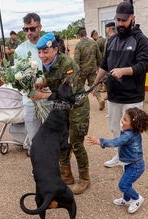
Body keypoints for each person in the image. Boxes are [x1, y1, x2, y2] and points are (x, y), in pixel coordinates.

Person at [92, 1, 148, 168]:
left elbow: (143, 66)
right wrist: (95, 83)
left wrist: (122, 71)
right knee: (115, 128)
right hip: (114, 95)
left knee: (131, 131)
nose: (120, 24)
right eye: (118, 20)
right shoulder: (111, 40)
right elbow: (104, 64)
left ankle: (131, 160)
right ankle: (119, 155)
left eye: (124, 20)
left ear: (133, 18)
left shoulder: (141, 40)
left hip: (132, 96)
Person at [33, 32, 91, 194]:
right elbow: (52, 79)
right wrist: (41, 83)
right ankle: (66, 177)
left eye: (45, 52)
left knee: (76, 143)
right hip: (61, 110)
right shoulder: (47, 64)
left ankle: (85, 179)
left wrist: (42, 96)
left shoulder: (68, 65)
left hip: (77, 107)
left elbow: (67, 95)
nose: (42, 56)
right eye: (39, 52)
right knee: (61, 142)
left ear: (55, 49)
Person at [87, 107, 148, 213]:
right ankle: (126, 199)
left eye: (125, 119)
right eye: (123, 118)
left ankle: (137, 198)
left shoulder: (128, 135)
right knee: (127, 183)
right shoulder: (132, 131)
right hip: (131, 163)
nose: (122, 120)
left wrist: (99, 141)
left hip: (135, 166)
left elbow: (115, 142)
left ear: (133, 124)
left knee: (123, 185)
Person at [15, 12, 50, 148]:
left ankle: (54, 164)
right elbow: (18, 76)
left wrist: (45, 84)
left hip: (48, 94)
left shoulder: (50, 45)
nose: (29, 32)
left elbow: (57, 70)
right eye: (26, 29)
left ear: (39, 27)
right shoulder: (20, 50)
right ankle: (38, 166)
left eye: (32, 28)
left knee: (52, 132)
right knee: (33, 137)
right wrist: (30, 89)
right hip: (30, 98)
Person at [74, 27, 104, 111]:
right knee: (94, 85)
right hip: (92, 69)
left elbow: (76, 61)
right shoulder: (94, 43)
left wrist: (77, 73)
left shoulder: (78, 45)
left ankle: (81, 104)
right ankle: (100, 99)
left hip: (82, 71)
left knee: (79, 88)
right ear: (86, 34)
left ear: (79, 35)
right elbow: (99, 57)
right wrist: (99, 67)